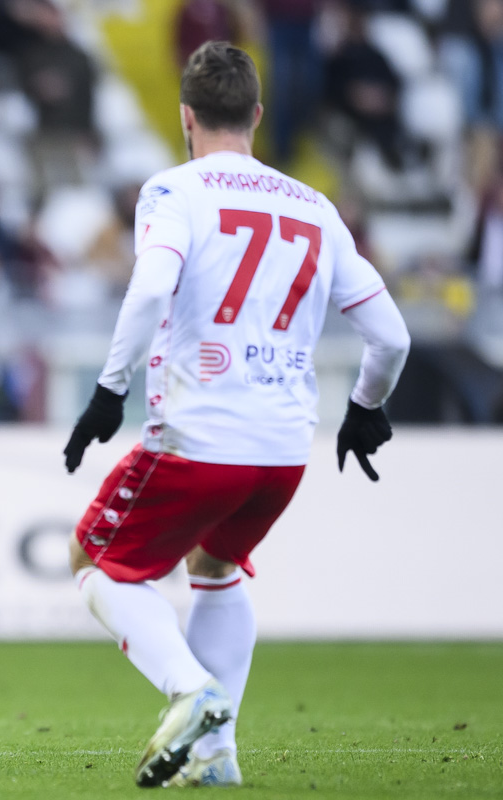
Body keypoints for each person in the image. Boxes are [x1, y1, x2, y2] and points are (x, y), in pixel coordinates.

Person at [62, 42, 409, 788]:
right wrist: (365, 409)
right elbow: (392, 335)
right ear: (256, 114)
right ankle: (217, 758)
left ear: (187, 117)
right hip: (284, 449)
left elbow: (152, 289)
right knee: (215, 567)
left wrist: (108, 389)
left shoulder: (175, 191)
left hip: (198, 434)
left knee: (94, 559)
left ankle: (193, 695)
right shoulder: (314, 205)